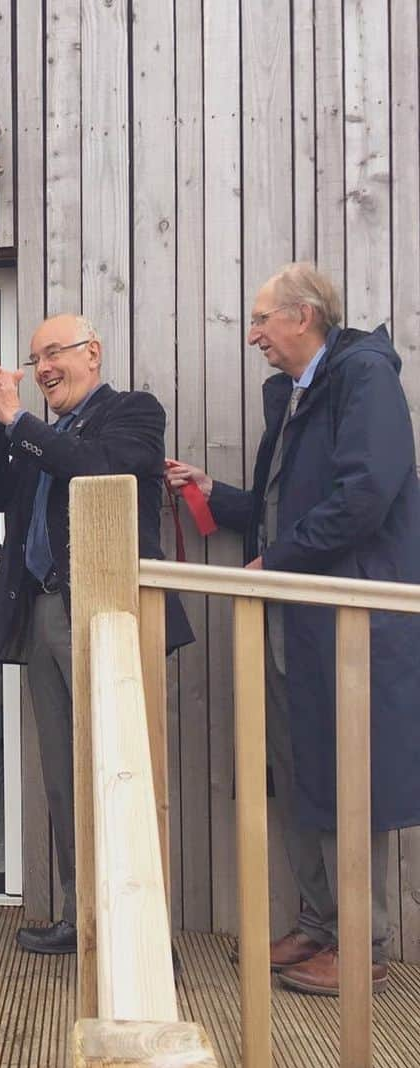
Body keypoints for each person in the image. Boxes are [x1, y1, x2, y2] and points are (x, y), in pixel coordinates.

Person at [167, 262, 420, 995]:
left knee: (348, 776)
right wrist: (218, 496)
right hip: (296, 621)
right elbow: (291, 506)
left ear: (303, 317)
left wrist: (273, 560)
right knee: (302, 770)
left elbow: (366, 495)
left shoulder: (362, 376)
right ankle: (317, 923)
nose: (254, 336)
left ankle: (360, 942)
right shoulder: (302, 394)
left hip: (344, 619)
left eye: (262, 320)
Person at [0, 314, 192, 955]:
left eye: (54, 355)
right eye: (34, 359)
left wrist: (19, 424)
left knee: (122, 769)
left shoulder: (133, 412)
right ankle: (82, 917)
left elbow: (98, 470)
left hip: (106, 613)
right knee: (65, 776)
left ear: (92, 353)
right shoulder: (33, 432)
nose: (41, 370)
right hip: (41, 613)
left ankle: (146, 936)